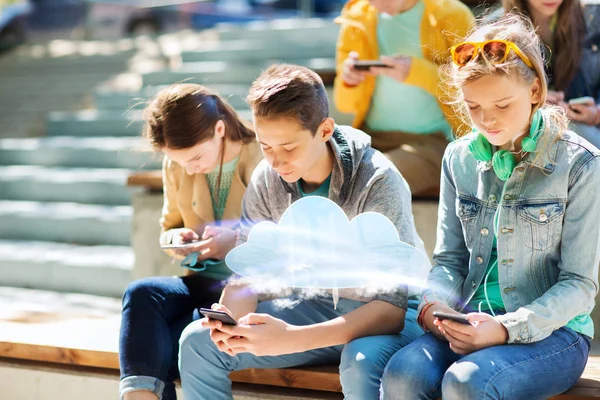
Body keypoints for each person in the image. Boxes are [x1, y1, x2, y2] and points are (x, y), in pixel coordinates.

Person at [380, 15, 600, 399]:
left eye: (501, 103)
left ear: (535, 91)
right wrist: (434, 308)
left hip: (553, 334)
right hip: (468, 321)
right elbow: (450, 260)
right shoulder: (458, 158)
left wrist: (502, 330)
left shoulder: (581, 164)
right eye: (473, 106)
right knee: (403, 374)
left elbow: (579, 285)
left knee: (467, 382)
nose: (486, 119)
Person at [178, 64, 427, 400]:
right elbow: (248, 276)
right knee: (198, 342)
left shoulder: (378, 178)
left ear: (325, 130)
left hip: (391, 315)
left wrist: (292, 337)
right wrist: (228, 321)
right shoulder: (267, 179)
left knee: (361, 360)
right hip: (316, 303)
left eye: (289, 148)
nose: (277, 162)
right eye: (266, 147)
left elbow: (390, 309)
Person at [119, 84, 263, 400]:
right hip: (203, 281)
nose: (189, 168)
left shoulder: (261, 154)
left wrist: (234, 239)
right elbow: (170, 226)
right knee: (141, 293)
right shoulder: (177, 163)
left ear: (220, 129)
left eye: (195, 157)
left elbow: (279, 232)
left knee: (164, 346)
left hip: (251, 289)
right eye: (180, 161)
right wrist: (175, 238)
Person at [333, 0, 474, 197]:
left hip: (433, 142)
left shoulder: (452, 14)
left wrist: (416, 72)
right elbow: (344, 104)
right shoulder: (356, 18)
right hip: (371, 138)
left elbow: (475, 87)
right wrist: (349, 82)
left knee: (372, 178)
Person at [502, 0, 600, 148]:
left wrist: (597, 113)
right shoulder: (497, 34)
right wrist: (530, 100)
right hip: (536, 141)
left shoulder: (595, 17)